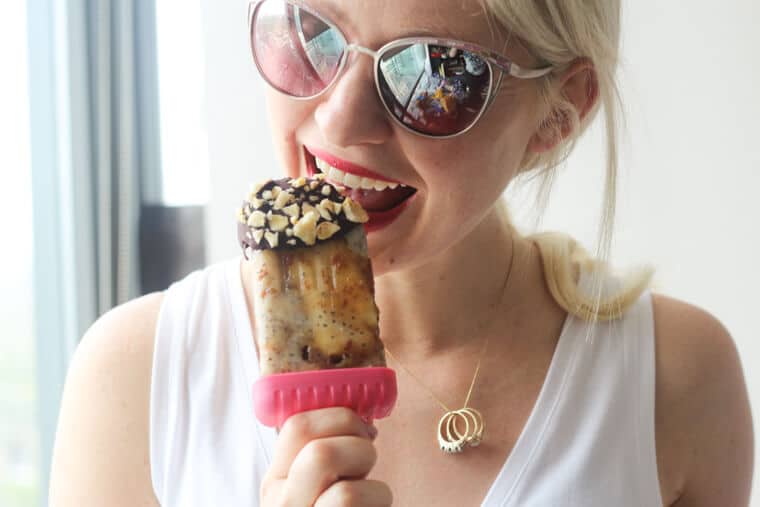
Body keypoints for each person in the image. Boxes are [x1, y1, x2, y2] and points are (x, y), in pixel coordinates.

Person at [49, 0, 754, 505]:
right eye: (309, 32)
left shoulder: (677, 378)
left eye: (437, 74)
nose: (342, 119)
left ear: (559, 111)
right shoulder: (136, 378)